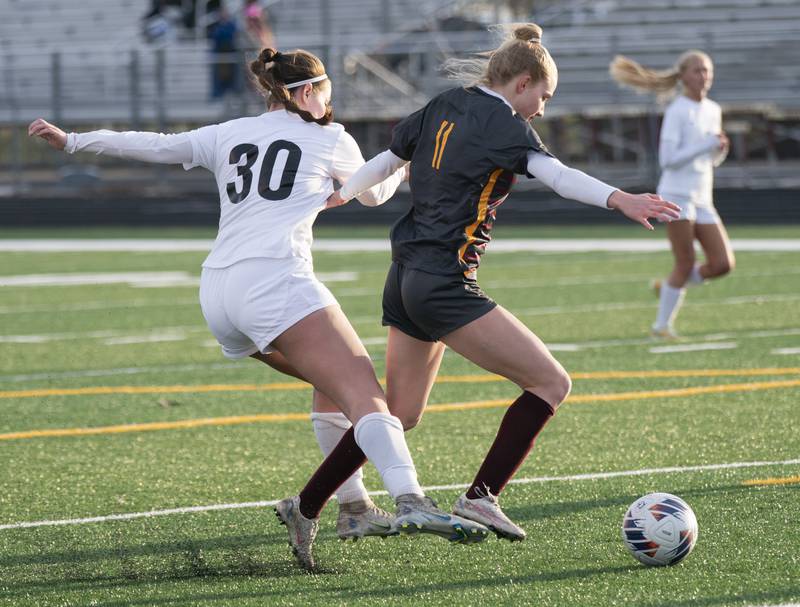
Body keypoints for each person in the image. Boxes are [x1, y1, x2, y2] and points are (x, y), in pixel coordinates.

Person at [28, 46, 488, 571]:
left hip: (219, 292)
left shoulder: (227, 132)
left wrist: (72, 141)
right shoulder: (328, 137)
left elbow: (151, 145)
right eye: (327, 94)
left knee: (336, 383)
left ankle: (355, 505)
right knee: (368, 398)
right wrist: (402, 162)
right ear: (307, 92)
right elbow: (374, 195)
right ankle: (411, 499)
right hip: (275, 281)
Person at [317, 22, 681, 541]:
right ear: (524, 82)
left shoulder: (444, 102)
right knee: (552, 383)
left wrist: (346, 194)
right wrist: (619, 197)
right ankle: (481, 497)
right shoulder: (503, 120)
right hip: (443, 284)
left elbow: (387, 161)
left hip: (403, 278)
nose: (542, 109)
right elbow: (555, 175)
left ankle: (307, 504)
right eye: (544, 96)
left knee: (398, 413)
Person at [610, 51, 733, 338]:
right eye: (698, 71)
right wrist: (705, 145)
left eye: (707, 70)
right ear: (684, 76)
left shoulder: (713, 109)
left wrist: (719, 150)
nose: (704, 76)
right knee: (685, 262)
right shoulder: (678, 109)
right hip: (677, 194)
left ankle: (668, 287)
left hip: (703, 196)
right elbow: (668, 159)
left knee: (722, 264)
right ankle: (661, 327)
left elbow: (709, 159)